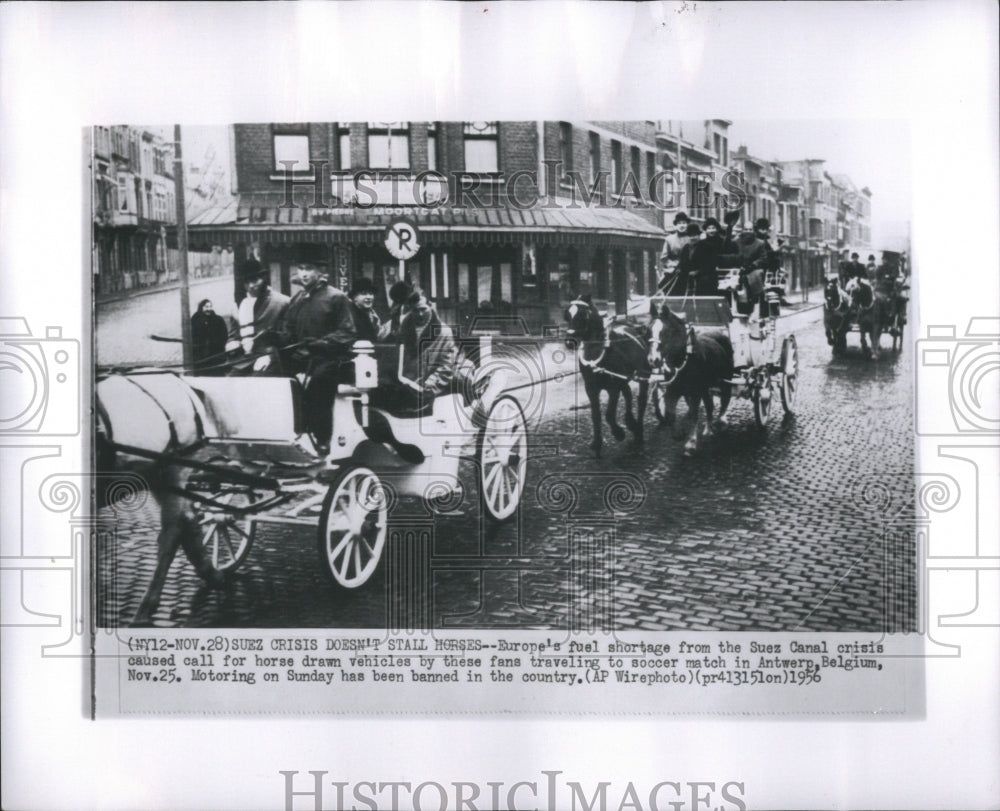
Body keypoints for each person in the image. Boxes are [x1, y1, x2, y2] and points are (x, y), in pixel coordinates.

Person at [258, 262, 357, 456]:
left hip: (330, 357)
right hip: (302, 356)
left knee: (320, 381)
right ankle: (279, 430)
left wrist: (320, 343)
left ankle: (322, 438)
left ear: (321, 272)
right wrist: (277, 338)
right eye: (301, 269)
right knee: (271, 375)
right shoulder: (298, 298)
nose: (304, 274)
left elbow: (347, 332)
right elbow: (288, 330)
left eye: (309, 269)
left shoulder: (336, 297)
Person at [238, 261, 290, 358]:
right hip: (243, 359)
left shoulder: (282, 302)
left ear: (264, 278)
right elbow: (235, 332)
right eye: (246, 282)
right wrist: (232, 342)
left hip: (272, 357)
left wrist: (270, 355)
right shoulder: (244, 303)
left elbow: (287, 337)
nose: (250, 286)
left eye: (254, 280)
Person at [686, 217, 740, 296]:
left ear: (717, 229)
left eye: (713, 228)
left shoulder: (722, 242)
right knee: (703, 282)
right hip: (704, 274)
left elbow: (729, 253)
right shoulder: (701, 244)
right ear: (706, 230)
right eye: (709, 228)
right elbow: (695, 260)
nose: (711, 230)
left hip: (721, 273)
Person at [656, 212, 693, 292]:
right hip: (673, 270)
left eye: (684, 223)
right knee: (666, 286)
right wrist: (673, 265)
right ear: (675, 225)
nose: (682, 225)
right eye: (679, 223)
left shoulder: (691, 238)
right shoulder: (669, 239)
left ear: (687, 225)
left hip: (689, 269)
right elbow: (664, 258)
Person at [190, 299, 228, 375]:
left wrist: (219, 344)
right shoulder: (195, 319)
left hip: (215, 352)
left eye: (210, 306)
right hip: (201, 354)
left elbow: (224, 334)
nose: (209, 309)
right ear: (201, 307)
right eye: (206, 307)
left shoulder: (218, 319)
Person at [347, 277, 382, 342]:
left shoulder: (373, 315)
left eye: (371, 294)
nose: (368, 297)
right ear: (355, 297)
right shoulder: (350, 315)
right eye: (364, 294)